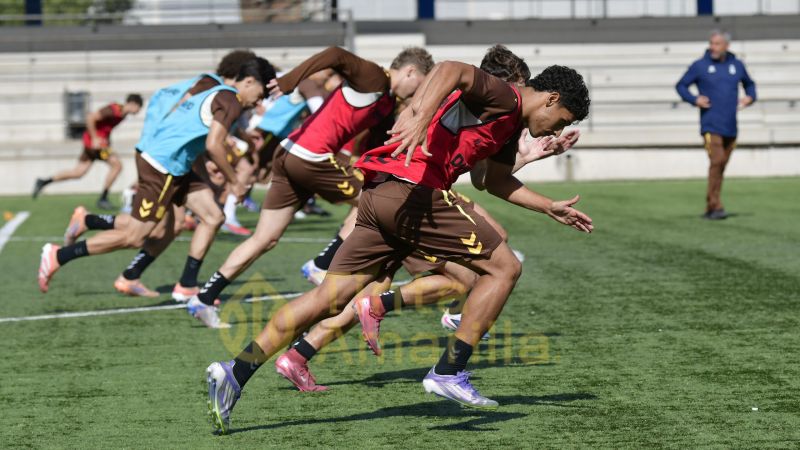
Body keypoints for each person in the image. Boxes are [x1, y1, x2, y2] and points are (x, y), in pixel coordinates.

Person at [205, 61, 592, 434]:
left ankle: (235, 372)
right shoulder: (506, 97)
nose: (554, 130)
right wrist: (421, 116)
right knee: (504, 268)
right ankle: (449, 370)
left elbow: (495, 182)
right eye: (562, 121)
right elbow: (451, 69)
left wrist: (548, 206)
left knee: (330, 298)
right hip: (413, 189)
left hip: (379, 196)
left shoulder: (509, 126)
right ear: (551, 98)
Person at [187, 46, 434, 328]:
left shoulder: (387, 102)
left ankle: (204, 298)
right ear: (410, 71)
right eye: (421, 85)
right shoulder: (375, 76)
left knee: (264, 238)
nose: (418, 93)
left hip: (290, 153)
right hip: (310, 156)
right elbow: (335, 54)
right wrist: (290, 79)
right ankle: (321, 264)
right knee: (375, 201)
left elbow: (375, 147)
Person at [37, 56, 276, 300]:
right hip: (163, 165)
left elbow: (193, 132)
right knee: (135, 235)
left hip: (176, 163)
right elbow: (213, 144)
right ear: (248, 81)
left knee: (210, 217)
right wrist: (235, 182)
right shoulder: (229, 99)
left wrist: (208, 171)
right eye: (261, 94)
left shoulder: (217, 92)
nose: (260, 101)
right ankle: (58, 255)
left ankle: (186, 285)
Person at [676, 30, 757, 220]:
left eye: (717, 44)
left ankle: (712, 206)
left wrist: (750, 97)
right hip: (710, 124)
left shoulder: (737, 65)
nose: (712, 47)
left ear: (726, 46)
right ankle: (715, 206)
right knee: (717, 161)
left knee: (721, 166)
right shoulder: (700, 65)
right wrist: (694, 99)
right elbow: (681, 85)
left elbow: (750, 85)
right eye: (711, 43)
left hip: (731, 126)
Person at [33, 94, 144, 209]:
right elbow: (90, 117)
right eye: (139, 108)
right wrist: (95, 137)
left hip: (93, 144)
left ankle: (44, 181)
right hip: (95, 146)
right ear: (133, 104)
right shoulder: (114, 109)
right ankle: (103, 198)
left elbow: (104, 127)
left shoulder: (121, 114)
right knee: (117, 165)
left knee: (78, 172)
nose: (139, 111)